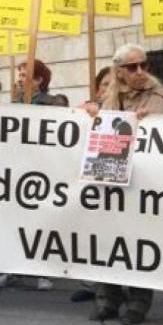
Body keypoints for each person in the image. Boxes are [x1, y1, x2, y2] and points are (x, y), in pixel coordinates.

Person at [82, 44, 163, 325]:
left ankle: (138, 302)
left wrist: (147, 123)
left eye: (143, 65)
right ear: (119, 71)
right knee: (106, 238)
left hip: (143, 180)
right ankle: (106, 298)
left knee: (137, 241)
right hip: (110, 176)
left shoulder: (160, 97)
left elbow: (161, 133)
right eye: (132, 67)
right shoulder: (111, 96)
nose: (140, 72)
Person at [0, 58, 64, 291]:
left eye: (25, 75)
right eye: (19, 75)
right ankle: (14, 269)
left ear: (40, 80)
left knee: (42, 220)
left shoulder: (53, 104)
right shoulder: (12, 104)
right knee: (15, 220)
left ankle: (43, 271)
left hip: (44, 168)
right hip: (17, 167)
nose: (20, 79)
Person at [69, 66, 115, 304]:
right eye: (105, 84)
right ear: (98, 88)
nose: (109, 88)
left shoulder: (126, 110)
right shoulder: (85, 108)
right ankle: (89, 282)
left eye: (114, 84)